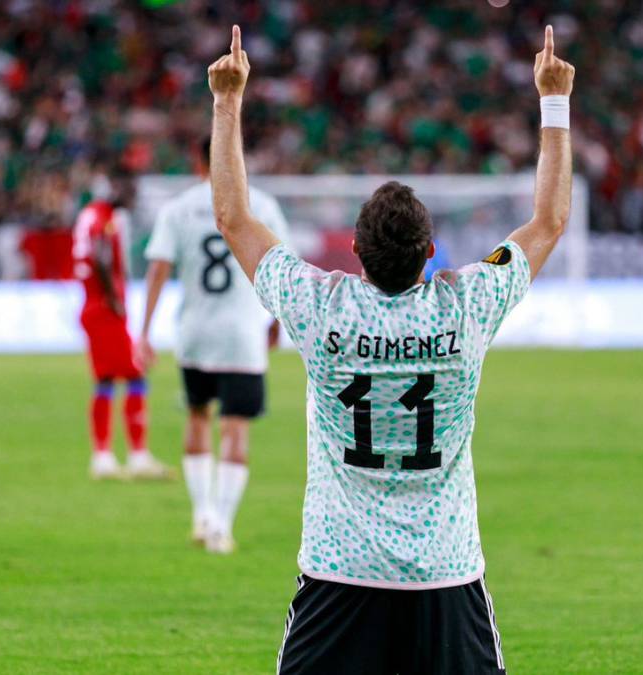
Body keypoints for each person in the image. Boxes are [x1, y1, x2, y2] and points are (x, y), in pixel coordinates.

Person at [206, 25, 574, 674]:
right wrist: (553, 101)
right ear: (431, 253)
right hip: (446, 573)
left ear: (354, 251)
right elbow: (548, 221)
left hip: (338, 571)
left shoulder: (321, 306)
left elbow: (235, 220)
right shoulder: (467, 303)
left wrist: (227, 102)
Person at [138, 142, 291, 554]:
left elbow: (157, 268)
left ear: (198, 161)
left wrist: (144, 331)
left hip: (194, 333)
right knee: (235, 428)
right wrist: (277, 321)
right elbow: (282, 264)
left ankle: (202, 513)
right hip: (243, 334)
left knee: (197, 417)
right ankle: (222, 525)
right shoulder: (262, 205)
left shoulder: (179, 207)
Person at [72, 174, 172, 480]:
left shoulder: (91, 214)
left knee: (105, 379)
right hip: (104, 308)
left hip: (95, 306)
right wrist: (114, 297)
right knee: (135, 374)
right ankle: (134, 455)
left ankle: (104, 456)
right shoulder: (104, 218)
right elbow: (101, 256)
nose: (132, 198)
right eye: (129, 191)